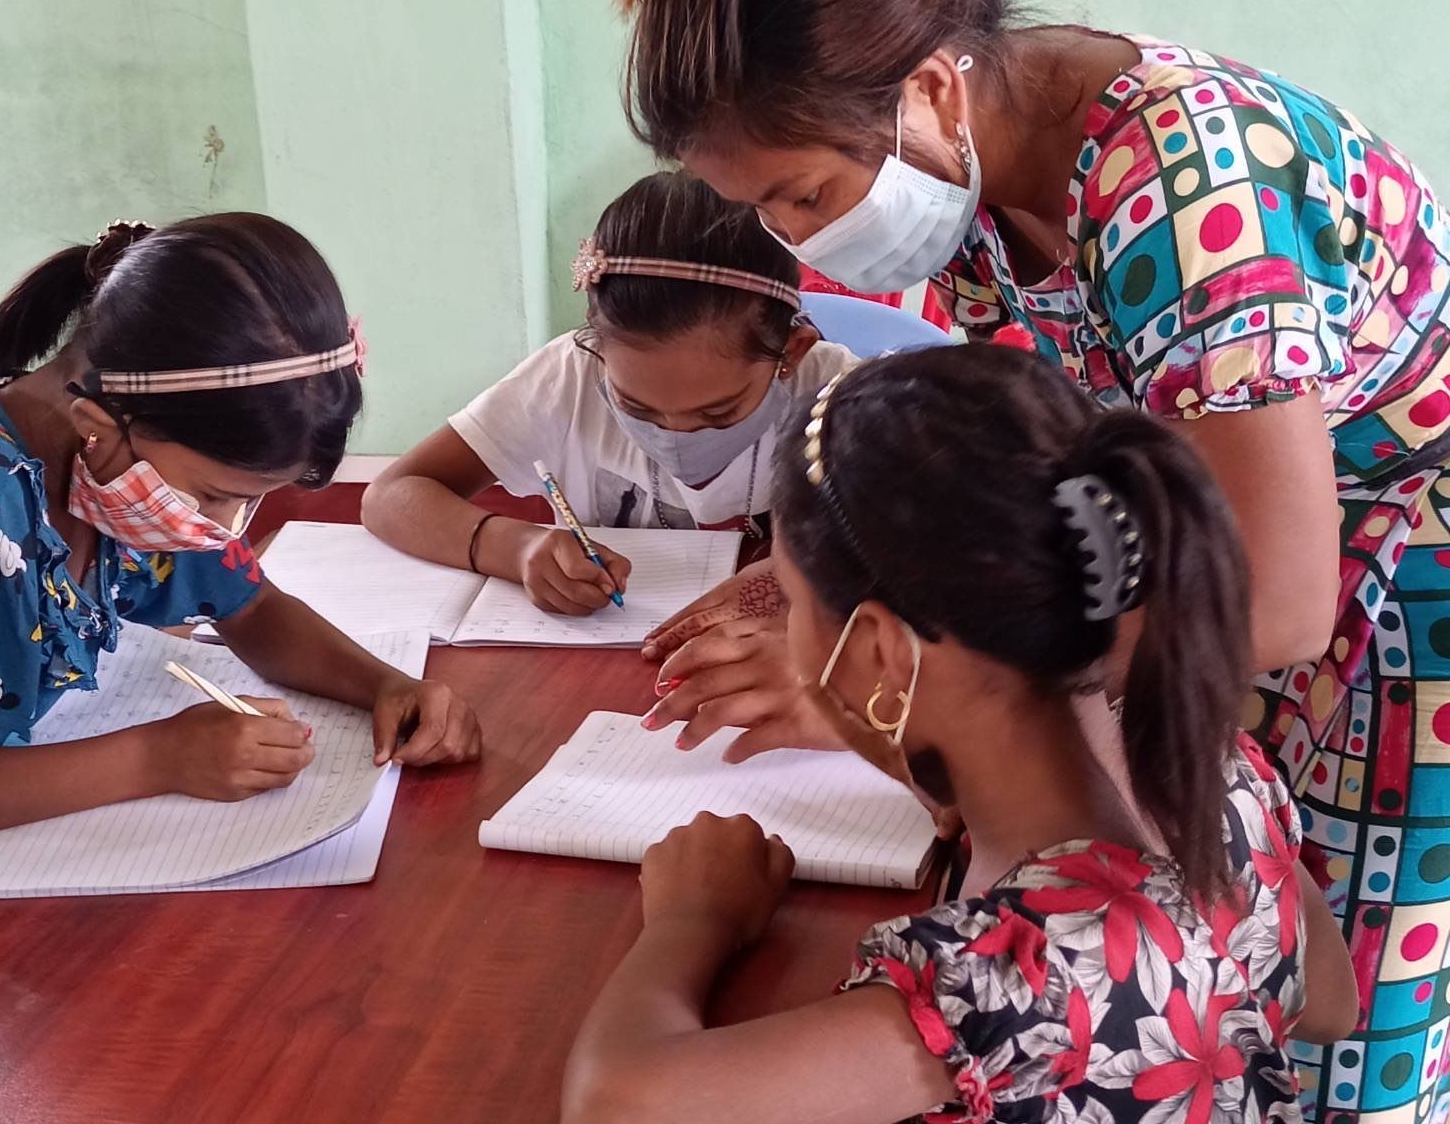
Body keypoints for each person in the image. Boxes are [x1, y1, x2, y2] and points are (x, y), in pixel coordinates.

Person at [617, 0, 1450, 1110]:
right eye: (763, 213)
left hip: (1402, 594)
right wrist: (821, 581)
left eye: (801, 194)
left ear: (932, 88)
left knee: (1329, 1042)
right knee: (1211, 969)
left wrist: (884, 694)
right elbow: (1008, 487)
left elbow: (1275, 600)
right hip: (1205, 589)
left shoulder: (1187, 180)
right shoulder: (977, 204)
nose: (795, 244)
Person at [563, 345, 1357, 1124]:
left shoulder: (1028, 969)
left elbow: (617, 1104)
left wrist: (694, 919)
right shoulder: (1211, 769)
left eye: (794, 606)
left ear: (879, 653)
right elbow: (1329, 1000)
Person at [0, 215, 480, 887]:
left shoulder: (127, 466)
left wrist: (388, 686)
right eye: (213, 495)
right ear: (98, 428)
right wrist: (156, 759)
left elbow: (254, 609)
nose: (220, 524)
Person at [361, 172, 858, 616]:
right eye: (636, 407)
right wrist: (515, 547)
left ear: (791, 353)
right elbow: (389, 497)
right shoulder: (567, 382)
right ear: (595, 349)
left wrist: (808, 584)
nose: (675, 434)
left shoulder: (840, 398)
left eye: (717, 411)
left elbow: (921, 547)